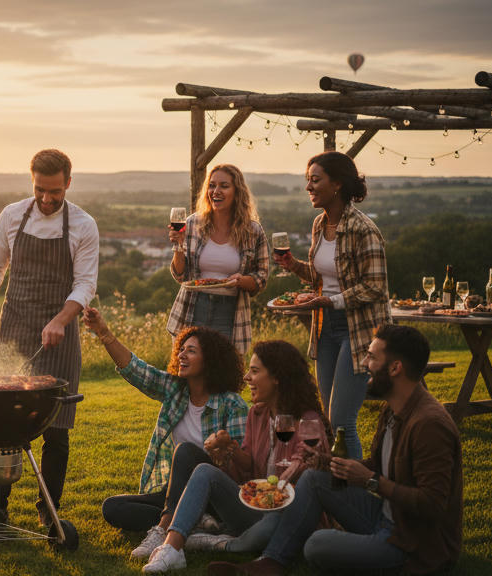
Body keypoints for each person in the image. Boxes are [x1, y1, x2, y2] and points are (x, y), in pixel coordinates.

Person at [208, 324, 462, 576]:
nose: (364, 363)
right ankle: (271, 562)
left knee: (317, 545)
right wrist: (327, 462)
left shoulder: (429, 424)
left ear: (395, 368)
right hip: (387, 515)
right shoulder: (394, 409)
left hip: (413, 544)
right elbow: (378, 464)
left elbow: (432, 503)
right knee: (313, 477)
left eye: (372, 357)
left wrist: (370, 481)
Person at [0, 148, 99, 527]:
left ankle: (48, 512)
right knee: (1, 421)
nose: (46, 198)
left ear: (68, 183)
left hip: (60, 332)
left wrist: (60, 320)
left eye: (55, 191)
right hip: (15, 325)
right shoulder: (12, 215)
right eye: (40, 189)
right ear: (32, 181)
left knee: (56, 429)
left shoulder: (84, 225)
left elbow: (85, 283)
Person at [140, 340, 330, 573]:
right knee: (204, 471)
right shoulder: (257, 414)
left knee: (270, 527)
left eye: (255, 371)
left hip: (288, 516)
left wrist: (294, 468)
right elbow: (248, 466)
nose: (247, 378)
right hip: (255, 507)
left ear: (277, 377)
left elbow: (311, 462)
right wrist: (229, 447)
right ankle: (172, 548)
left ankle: (218, 542)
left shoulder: (308, 419)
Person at [83, 306, 248, 562]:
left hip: (215, 494)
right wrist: (104, 333)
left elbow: (243, 470)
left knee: (186, 453)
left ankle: (163, 529)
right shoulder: (175, 390)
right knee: (113, 507)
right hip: (177, 492)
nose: (181, 354)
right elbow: (136, 370)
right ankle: (194, 525)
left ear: (210, 360)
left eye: (191, 351)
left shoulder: (232, 404)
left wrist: (225, 450)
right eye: (181, 349)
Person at [273, 151, 391, 460]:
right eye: (307, 180)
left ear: (337, 184)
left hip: (358, 331)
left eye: (315, 180)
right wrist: (293, 265)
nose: (308, 187)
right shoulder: (319, 224)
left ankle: (353, 484)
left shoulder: (364, 229)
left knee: (341, 422)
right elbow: (321, 278)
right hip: (324, 327)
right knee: (328, 419)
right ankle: (334, 480)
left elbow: (375, 286)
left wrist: (332, 300)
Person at [167, 164, 269, 355]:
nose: (216, 191)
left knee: (224, 370)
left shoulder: (253, 231)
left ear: (237, 192)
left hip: (230, 312)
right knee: (188, 370)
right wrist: (178, 246)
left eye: (224, 186)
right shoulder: (192, 223)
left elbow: (261, 278)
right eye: (212, 185)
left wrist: (241, 280)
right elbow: (181, 276)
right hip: (193, 307)